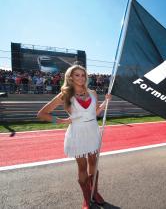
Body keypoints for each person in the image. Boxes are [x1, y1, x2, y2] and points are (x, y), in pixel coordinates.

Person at [37, 64, 111, 209]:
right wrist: (60, 121)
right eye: (77, 75)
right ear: (70, 77)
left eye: (83, 75)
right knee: (82, 167)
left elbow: (95, 113)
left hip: (92, 130)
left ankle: (95, 193)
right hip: (77, 133)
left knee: (94, 163)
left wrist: (105, 104)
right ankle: (86, 198)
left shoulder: (93, 93)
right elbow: (41, 114)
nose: (81, 78)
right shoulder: (65, 94)